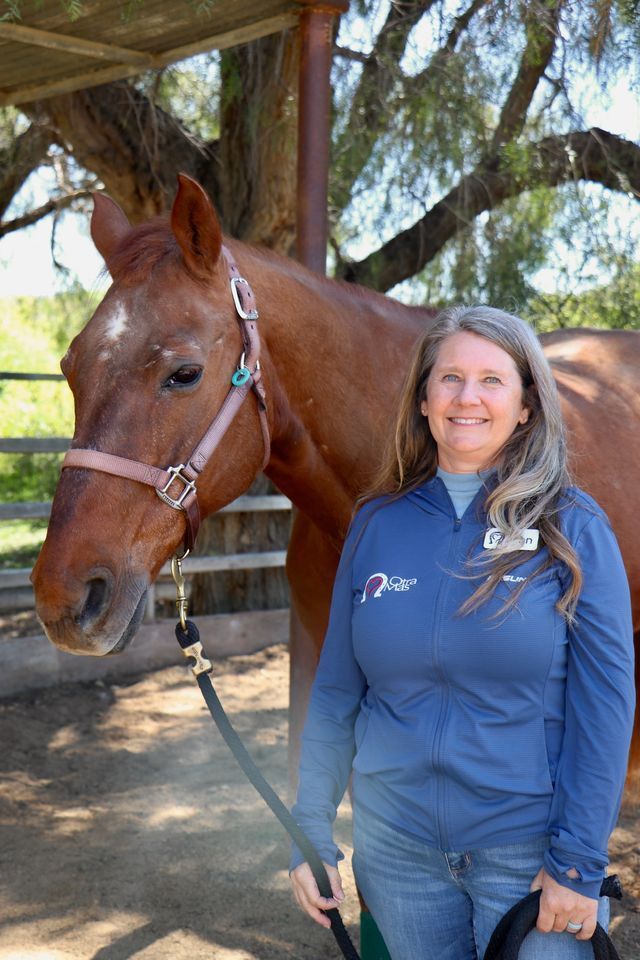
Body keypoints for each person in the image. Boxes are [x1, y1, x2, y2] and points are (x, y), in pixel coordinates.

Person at [288, 306, 635, 960]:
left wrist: (577, 865)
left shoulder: (573, 529)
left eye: (491, 380)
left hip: (528, 857)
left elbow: (605, 710)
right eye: (449, 378)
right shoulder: (376, 526)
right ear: (423, 399)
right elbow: (336, 693)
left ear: (527, 405)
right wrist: (308, 828)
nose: (467, 396)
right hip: (397, 858)